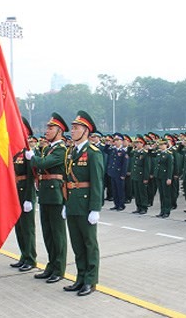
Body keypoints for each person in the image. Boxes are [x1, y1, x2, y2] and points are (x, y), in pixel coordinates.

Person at [62, 110, 104, 297]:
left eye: (76, 128)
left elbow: (97, 182)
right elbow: (66, 180)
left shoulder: (93, 153)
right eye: (72, 128)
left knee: (89, 244)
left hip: (86, 206)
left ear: (86, 131)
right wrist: (65, 203)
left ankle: (90, 280)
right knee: (77, 244)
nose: (72, 131)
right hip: (72, 204)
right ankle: (80, 278)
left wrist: (95, 208)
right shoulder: (71, 151)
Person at [25, 113, 68, 284]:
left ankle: (59, 269)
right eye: (47, 128)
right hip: (45, 194)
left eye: (51, 128)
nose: (47, 131)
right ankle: (51, 266)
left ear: (59, 131)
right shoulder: (49, 148)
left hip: (56, 196)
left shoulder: (61, 149)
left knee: (58, 235)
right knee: (48, 233)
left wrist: (32, 158)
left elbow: (43, 164)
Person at [11, 117, 37, 272]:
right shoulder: (13, 150)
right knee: (19, 227)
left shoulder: (28, 152)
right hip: (14, 193)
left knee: (27, 228)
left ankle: (30, 258)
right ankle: (23, 255)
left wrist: (29, 198)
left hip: (24, 192)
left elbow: (30, 177)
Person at [105, 133, 129, 211]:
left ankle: (121, 205)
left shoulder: (123, 151)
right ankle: (116, 204)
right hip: (113, 173)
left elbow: (125, 164)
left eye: (117, 140)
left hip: (119, 174)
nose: (115, 142)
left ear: (121, 141)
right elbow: (105, 150)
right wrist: (108, 144)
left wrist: (123, 174)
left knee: (120, 190)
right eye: (114, 140)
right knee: (114, 190)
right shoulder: (113, 150)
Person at [130, 135, 150, 215]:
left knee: (142, 192)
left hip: (141, 176)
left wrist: (146, 177)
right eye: (136, 143)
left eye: (139, 143)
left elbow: (146, 167)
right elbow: (129, 154)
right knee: (137, 193)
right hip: (135, 175)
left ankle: (144, 207)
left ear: (142, 144)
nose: (137, 144)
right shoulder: (135, 152)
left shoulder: (145, 153)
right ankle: (138, 207)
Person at [154, 138, 174, 218]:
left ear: (166, 145)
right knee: (161, 194)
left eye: (162, 145)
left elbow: (170, 167)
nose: (161, 146)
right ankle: (162, 210)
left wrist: (169, 178)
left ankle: (167, 211)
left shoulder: (169, 154)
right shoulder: (158, 153)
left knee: (166, 195)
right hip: (159, 175)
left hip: (165, 176)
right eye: (160, 145)